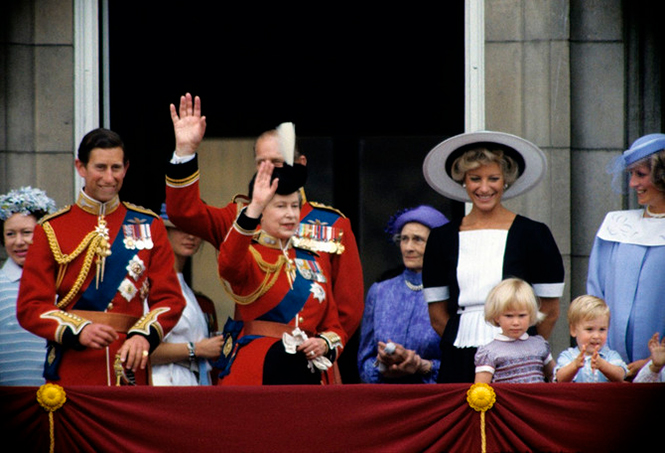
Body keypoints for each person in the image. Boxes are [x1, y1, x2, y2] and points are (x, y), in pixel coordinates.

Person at [164, 93, 364, 381]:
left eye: (277, 162)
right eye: (261, 162)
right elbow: (184, 213)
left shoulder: (333, 224)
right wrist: (184, 152)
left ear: (301, 163)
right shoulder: (241, 215)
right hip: (255, 362)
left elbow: (347, 310)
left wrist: (323, 345)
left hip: (311, 362)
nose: (269, 170)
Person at [16, 128, 185, 386]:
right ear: (80, 167)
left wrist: (144, 336)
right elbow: (31, 307)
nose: (109, 177)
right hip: (74, 366)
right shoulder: (51, 228)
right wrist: (78, 330)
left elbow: (170, 299)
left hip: (130, 366)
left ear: (126, 168)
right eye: (100, 167)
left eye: (116, 167)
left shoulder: (149, 225)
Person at [422, 130, 565, 383]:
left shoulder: (534, 234)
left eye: (493, 178)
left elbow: (550, 310)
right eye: (475, 178)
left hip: (520, 360)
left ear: (506, 181)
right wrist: (459, 337)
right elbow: (437, 315)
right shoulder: (441, 238)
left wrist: (523, 346)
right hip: (459, 353)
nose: (484, 187)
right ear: (463, 181)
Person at [214, 159, 345, 385]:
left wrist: (324, 343)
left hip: (309, 371)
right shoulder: (251, 254)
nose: (291, 214)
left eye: (295, 206)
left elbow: (333, 326)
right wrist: (252, 208)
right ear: (262, 212)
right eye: (280, 206)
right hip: (259, 369)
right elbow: (228, 265)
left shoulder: (313, 259)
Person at [587, 133, 665, 378]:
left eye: (640, 174)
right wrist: (608, 360)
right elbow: (595, 296)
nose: (632, 184)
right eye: (631, 174)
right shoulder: (616, 226)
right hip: (608, 366)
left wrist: (653, 360)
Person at [357, 205, 447, 384]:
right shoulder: (380, 291)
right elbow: (365, 361)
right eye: (404, 239)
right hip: (386, 398)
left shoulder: (451, 292)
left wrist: (422, 365)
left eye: (418, 240)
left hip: (435, 398)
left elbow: (462, 362)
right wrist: (382, 367)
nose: (408, 247)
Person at [149, 204, 223, 385]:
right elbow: (143, 349)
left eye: (196, 229)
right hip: (164, 381)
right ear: (164, 231)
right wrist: (196, 349)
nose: (190, 236)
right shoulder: (150, 282)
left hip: (190, 381)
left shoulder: (190, 291)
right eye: (180, 228)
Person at [0, 187, 56, 386]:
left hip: (59, 396)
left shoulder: (62, 283)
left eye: (26, 233)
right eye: (10, 234)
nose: (19, 242)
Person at [474, 278, 554, 383]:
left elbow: (555, 377)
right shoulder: (490, 352)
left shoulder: (539, 345)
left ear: (531, 315)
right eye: (509, 316)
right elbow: (481, 389)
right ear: (497, 316)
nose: (516, 322)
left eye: (522, 315)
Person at [554, 295, 628, 383]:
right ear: (573, 330)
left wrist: (603, 365)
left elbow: (620, 376)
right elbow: (560, 379)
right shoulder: (568, 356)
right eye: (589, 329)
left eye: (602, 329)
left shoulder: (610, 356)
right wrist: (575, 365)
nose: (596, 336)